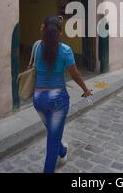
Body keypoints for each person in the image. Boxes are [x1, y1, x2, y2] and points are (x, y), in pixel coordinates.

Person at [30, 17, 92, 173]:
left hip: (38, 99)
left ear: (42, 28)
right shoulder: (65, 50)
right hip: (57, 101)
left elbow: (31, 68)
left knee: (53, 132)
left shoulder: (37, 46)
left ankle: (63, 151)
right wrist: (86, 89)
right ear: (61, 32)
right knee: (53, 139)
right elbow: (75, 75)